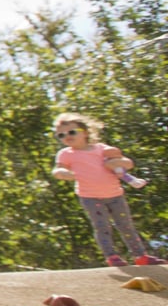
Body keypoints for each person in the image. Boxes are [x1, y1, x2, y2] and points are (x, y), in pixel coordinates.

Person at [51, 112, 161, 266]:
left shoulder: (101, 149)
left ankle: (140, 256)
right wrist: (63, 174)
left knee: (126, 226)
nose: (67, 136)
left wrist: (118, 163)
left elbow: (128, 163)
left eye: (72, 132)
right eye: (61, 135)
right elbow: (57, 170)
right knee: (102, 227)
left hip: (115, 195)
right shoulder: (65, 154)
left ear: (86, 133)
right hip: (90, 197)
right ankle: (112, 257)